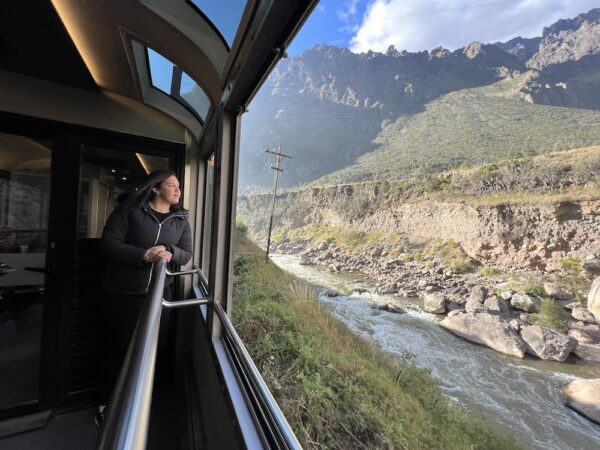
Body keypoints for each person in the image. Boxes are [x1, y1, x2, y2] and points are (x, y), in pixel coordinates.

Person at [97, 169, 192, 425]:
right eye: (171, 185)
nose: (177, 190)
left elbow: (186, 254)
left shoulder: (180, 220)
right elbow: (109, 244)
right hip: (124, 294)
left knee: (151, 352)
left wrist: (168, 249)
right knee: (118, 350)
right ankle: (107, 404)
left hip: (160, 296)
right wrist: (144, 255)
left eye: (179, 186)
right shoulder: (128, 212)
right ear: (155, 188)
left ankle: (137, 404)